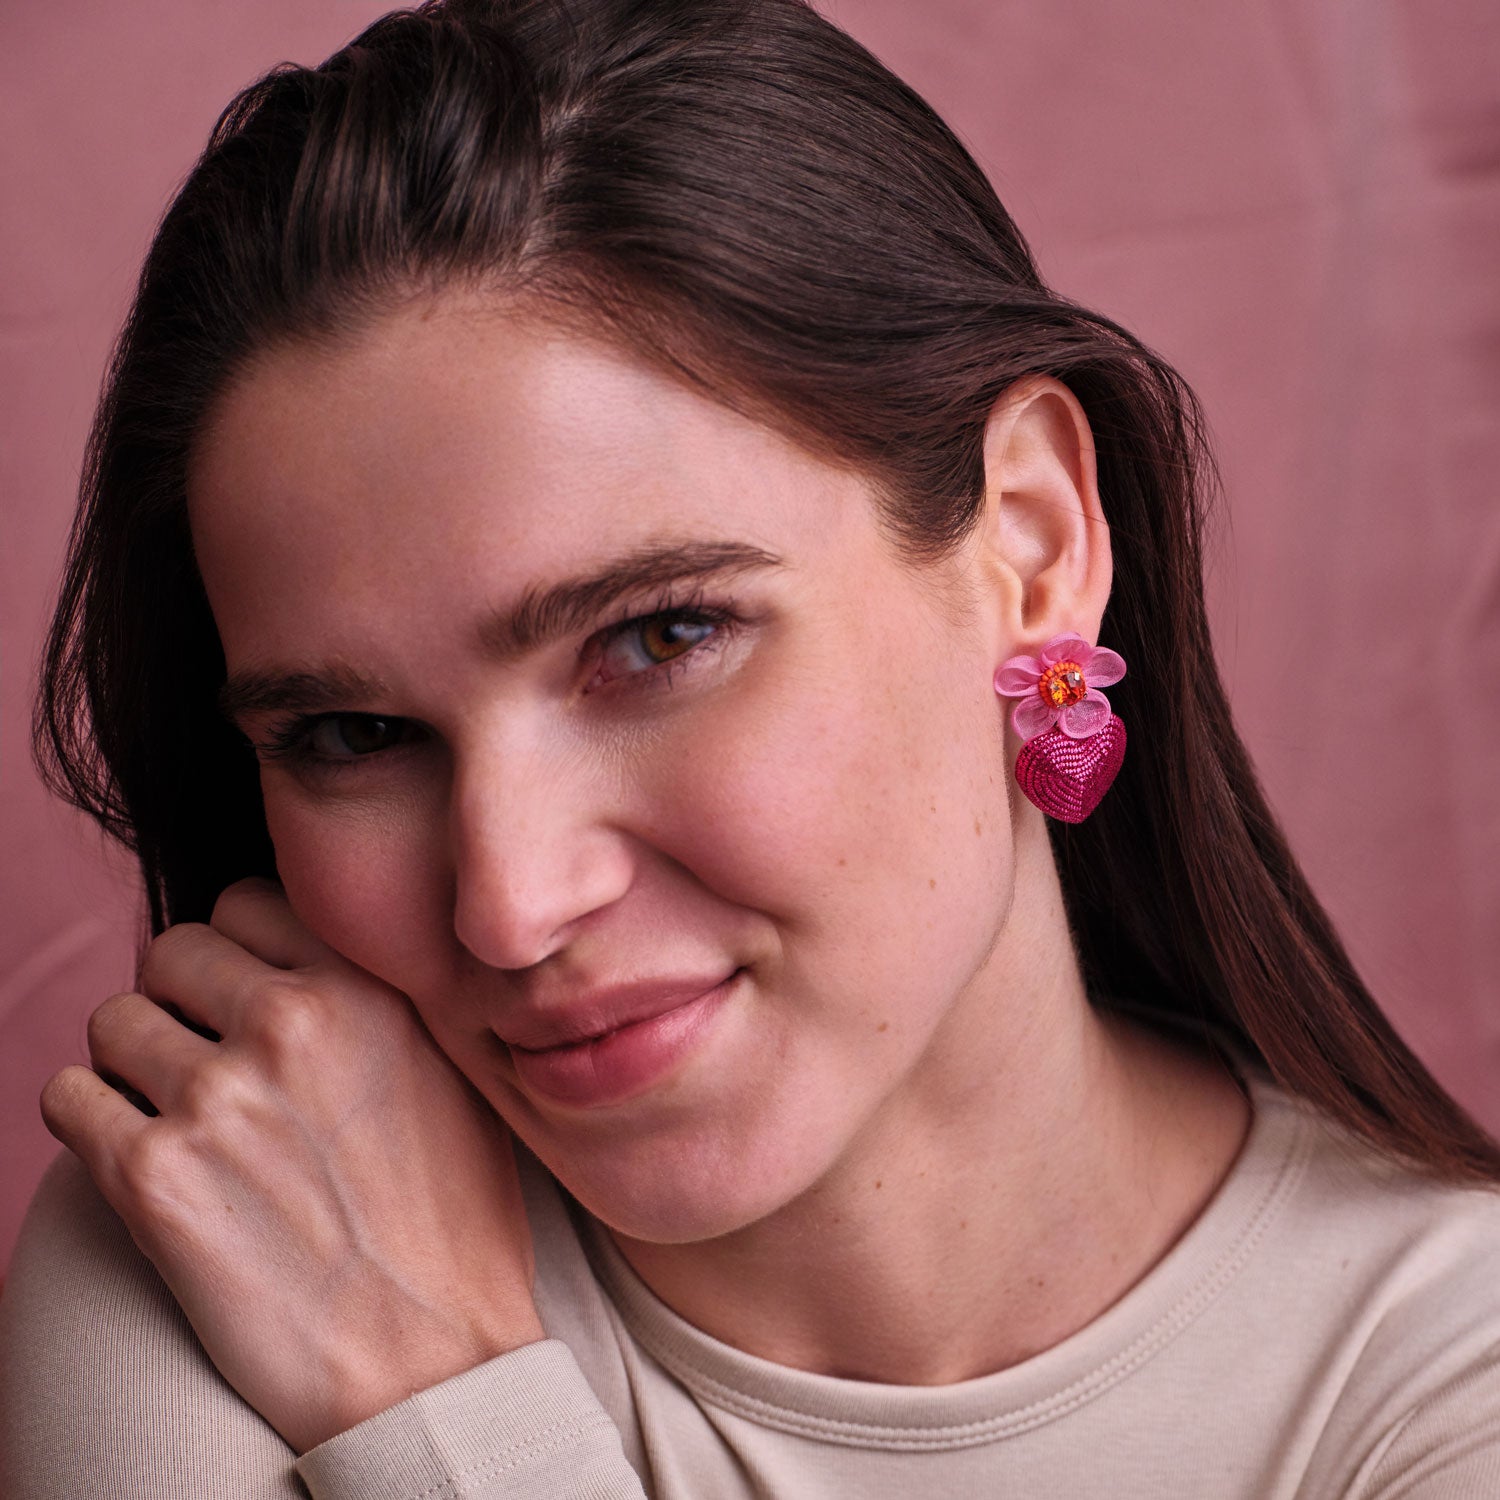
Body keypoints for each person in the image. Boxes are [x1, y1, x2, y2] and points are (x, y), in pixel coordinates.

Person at [2, 0, 1498, 1495]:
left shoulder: (1447, 1372)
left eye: (659, 639)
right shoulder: (239, 1210)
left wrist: (436, 1404)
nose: (510, 905)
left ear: (1032, 551)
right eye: (354, 733)